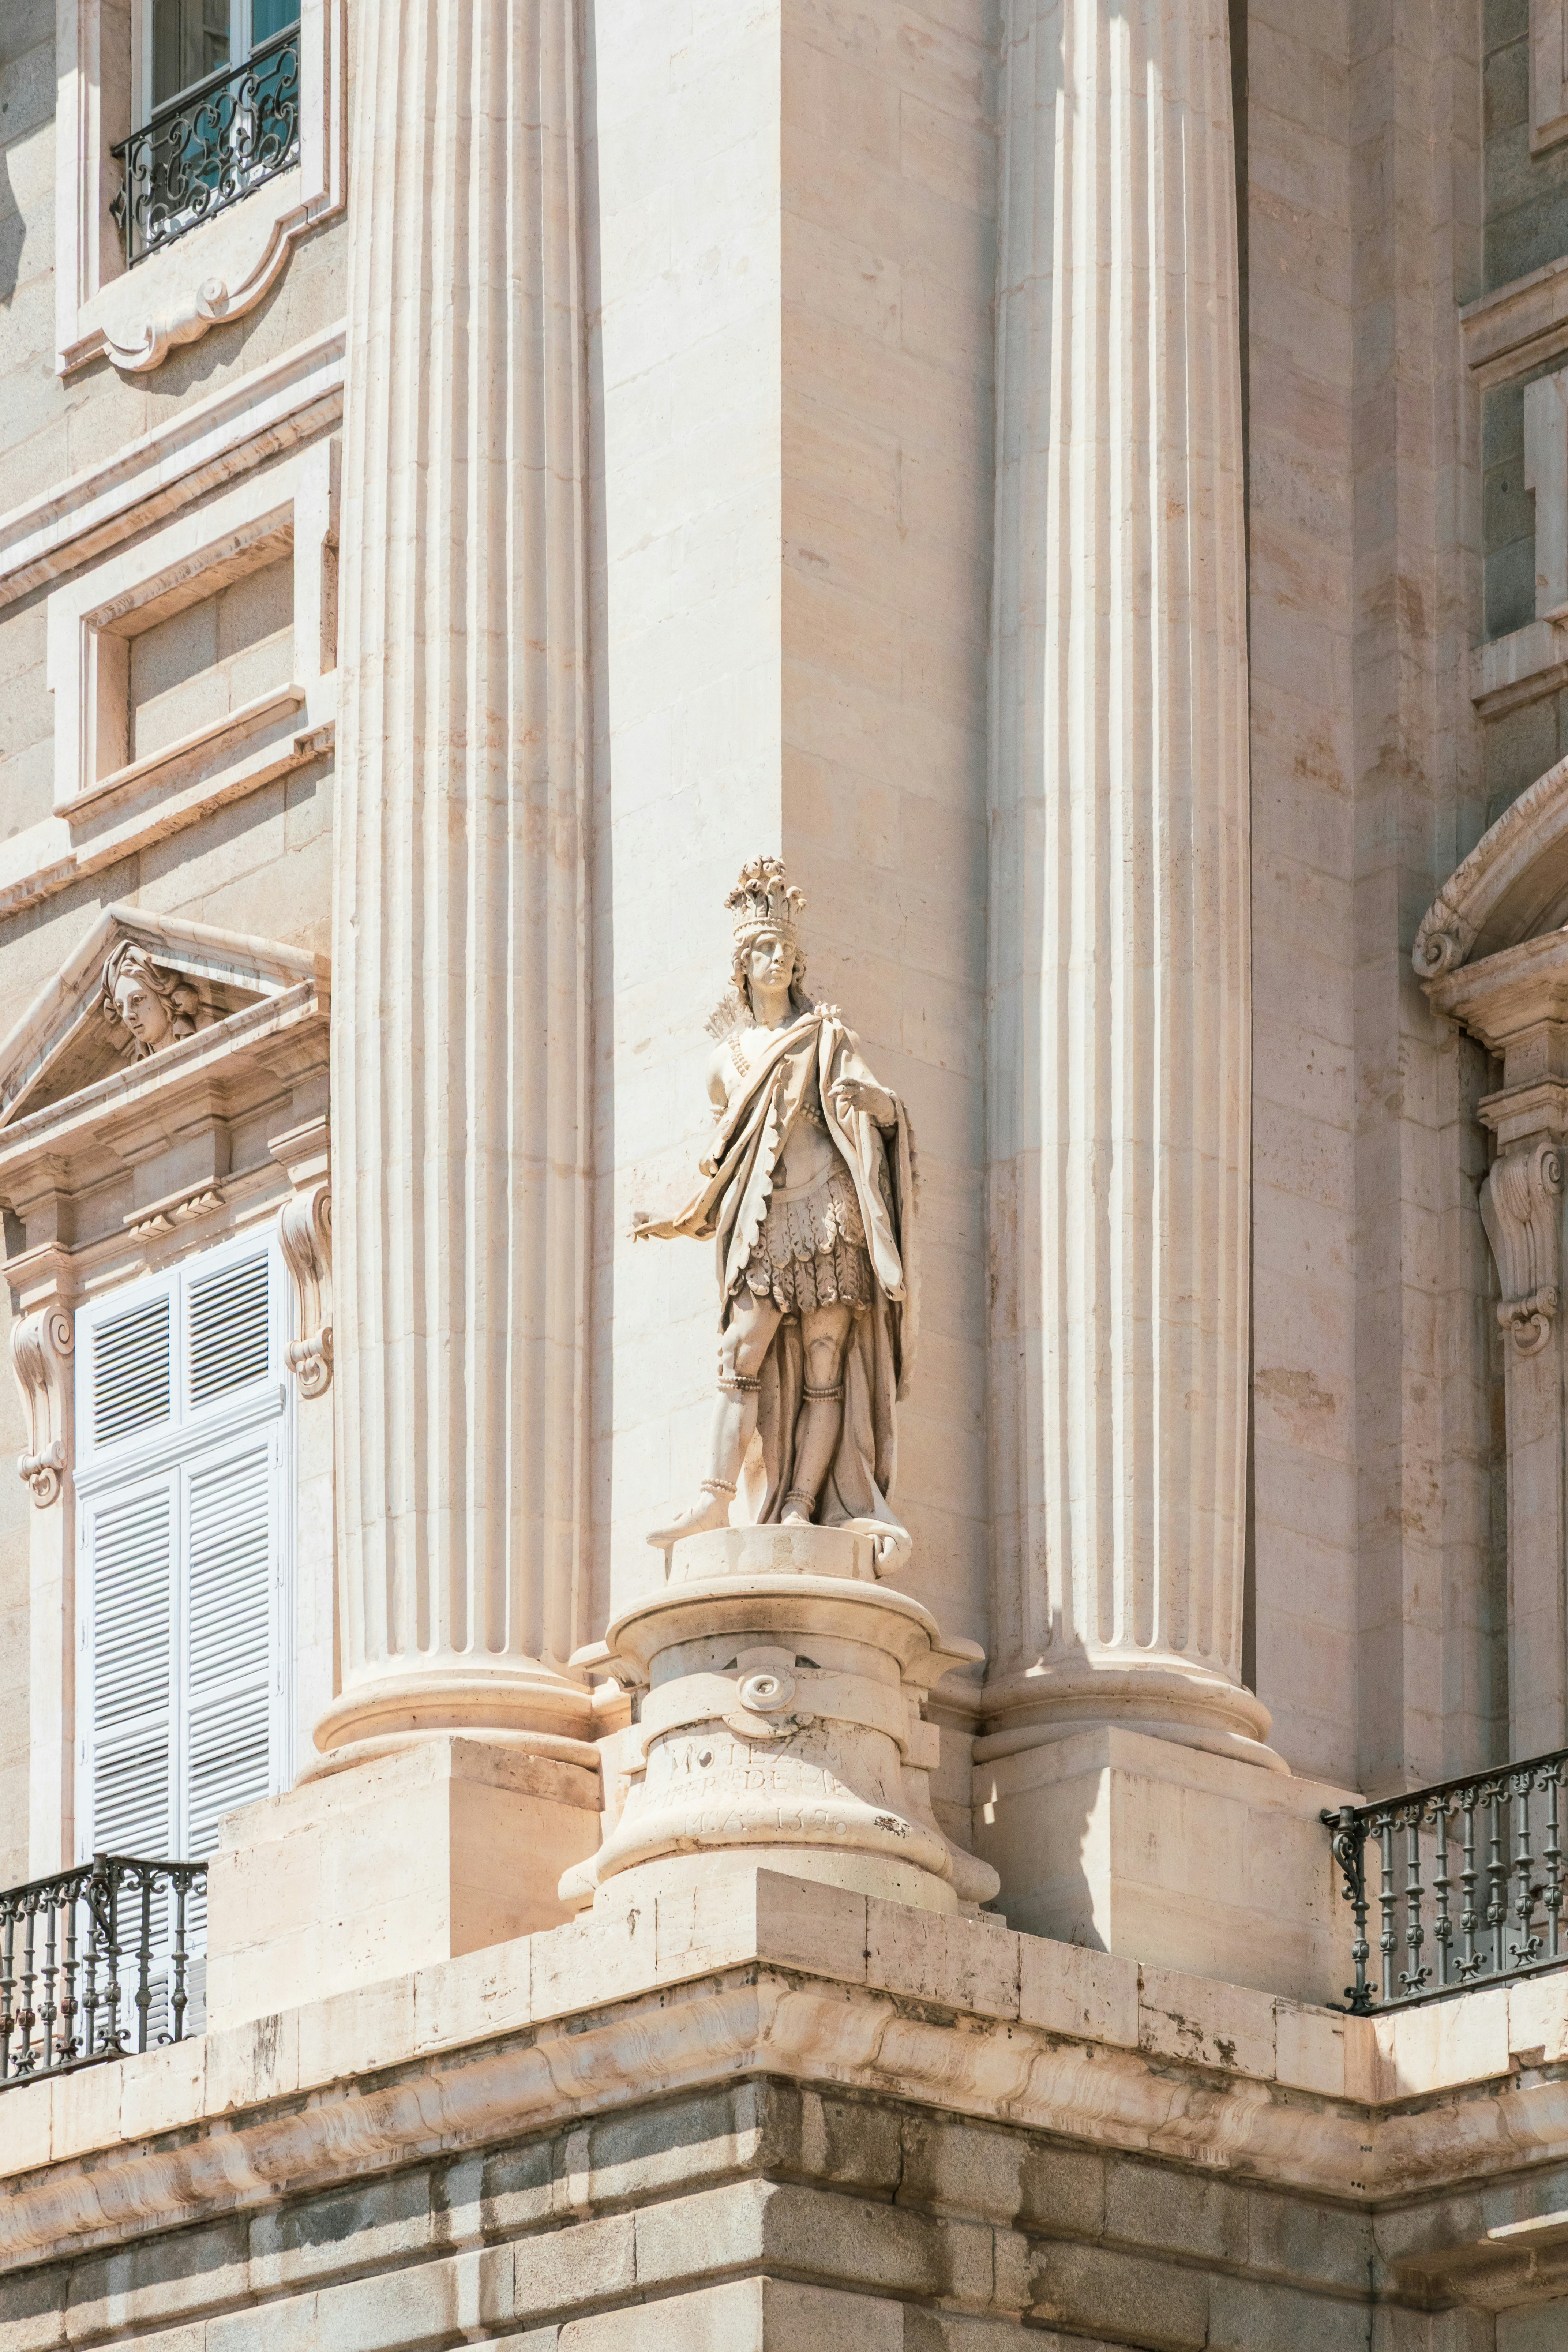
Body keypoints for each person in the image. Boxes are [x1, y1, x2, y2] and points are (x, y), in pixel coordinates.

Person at [635, 855, 917, 1570]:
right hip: (764, 1218)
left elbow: (880, 1111)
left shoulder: (826, 1035)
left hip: (830, 1214)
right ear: (743, 965)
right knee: (740, 1353)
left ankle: (799, 1499)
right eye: (764, 948)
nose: (777, 958)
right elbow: (721, 1160)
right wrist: (679, 1214)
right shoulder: (724, 1061)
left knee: (825, 1364)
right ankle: (714, 1497)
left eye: (785, 950)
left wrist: (879, 1107)